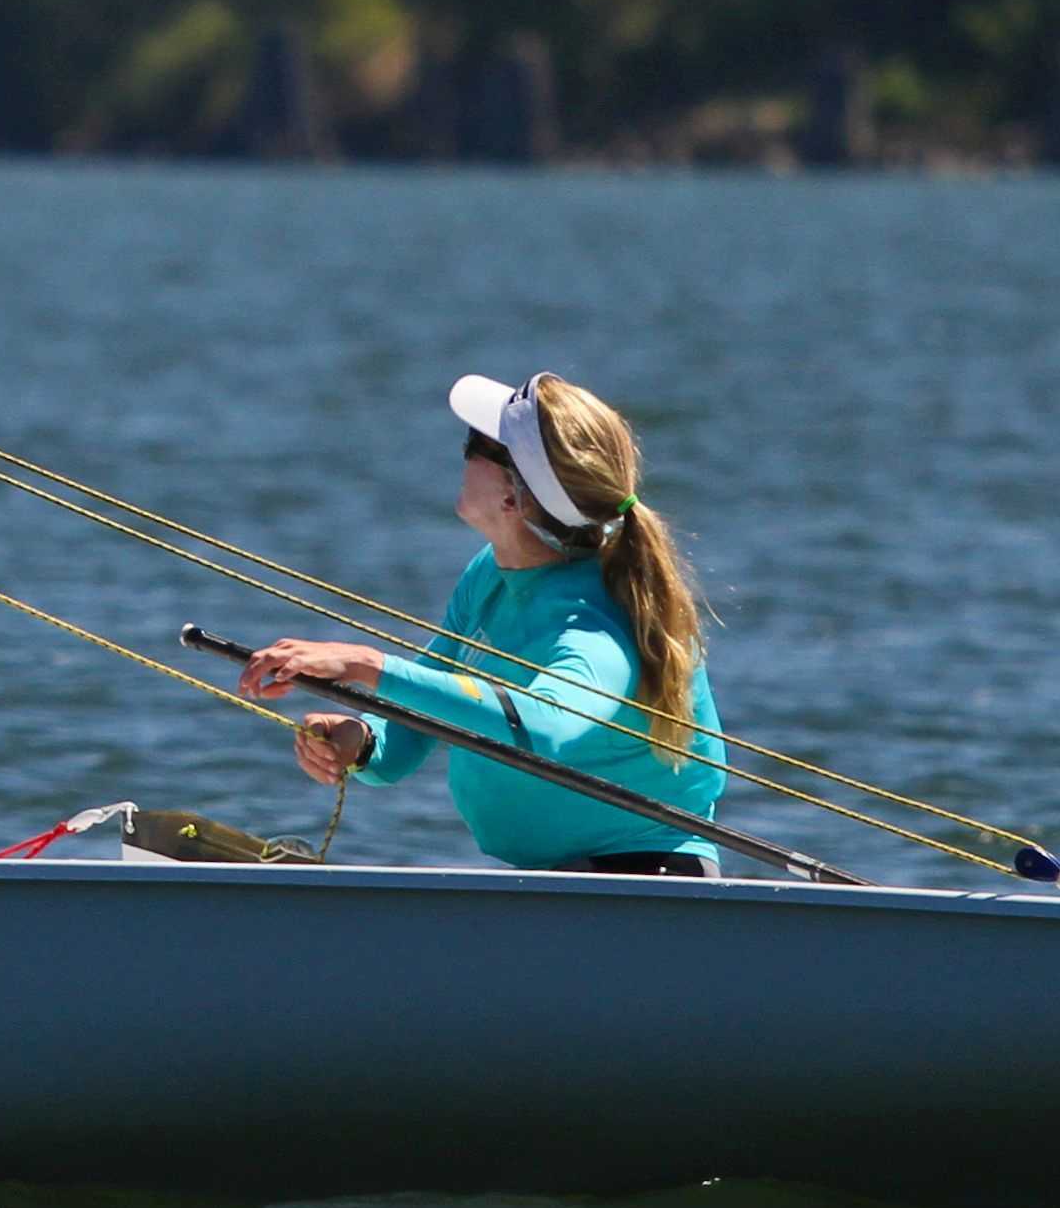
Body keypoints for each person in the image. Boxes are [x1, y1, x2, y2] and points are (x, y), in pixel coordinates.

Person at [236, 371, 730, 874]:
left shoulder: (591, 625)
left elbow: (544, 727)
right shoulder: (491, 573)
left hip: (644, 883)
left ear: (513, 497)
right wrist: (361, 741)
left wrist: (367, 664)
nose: (462, 454)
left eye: (475, 444)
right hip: (560, 885)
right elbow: (413, 728)